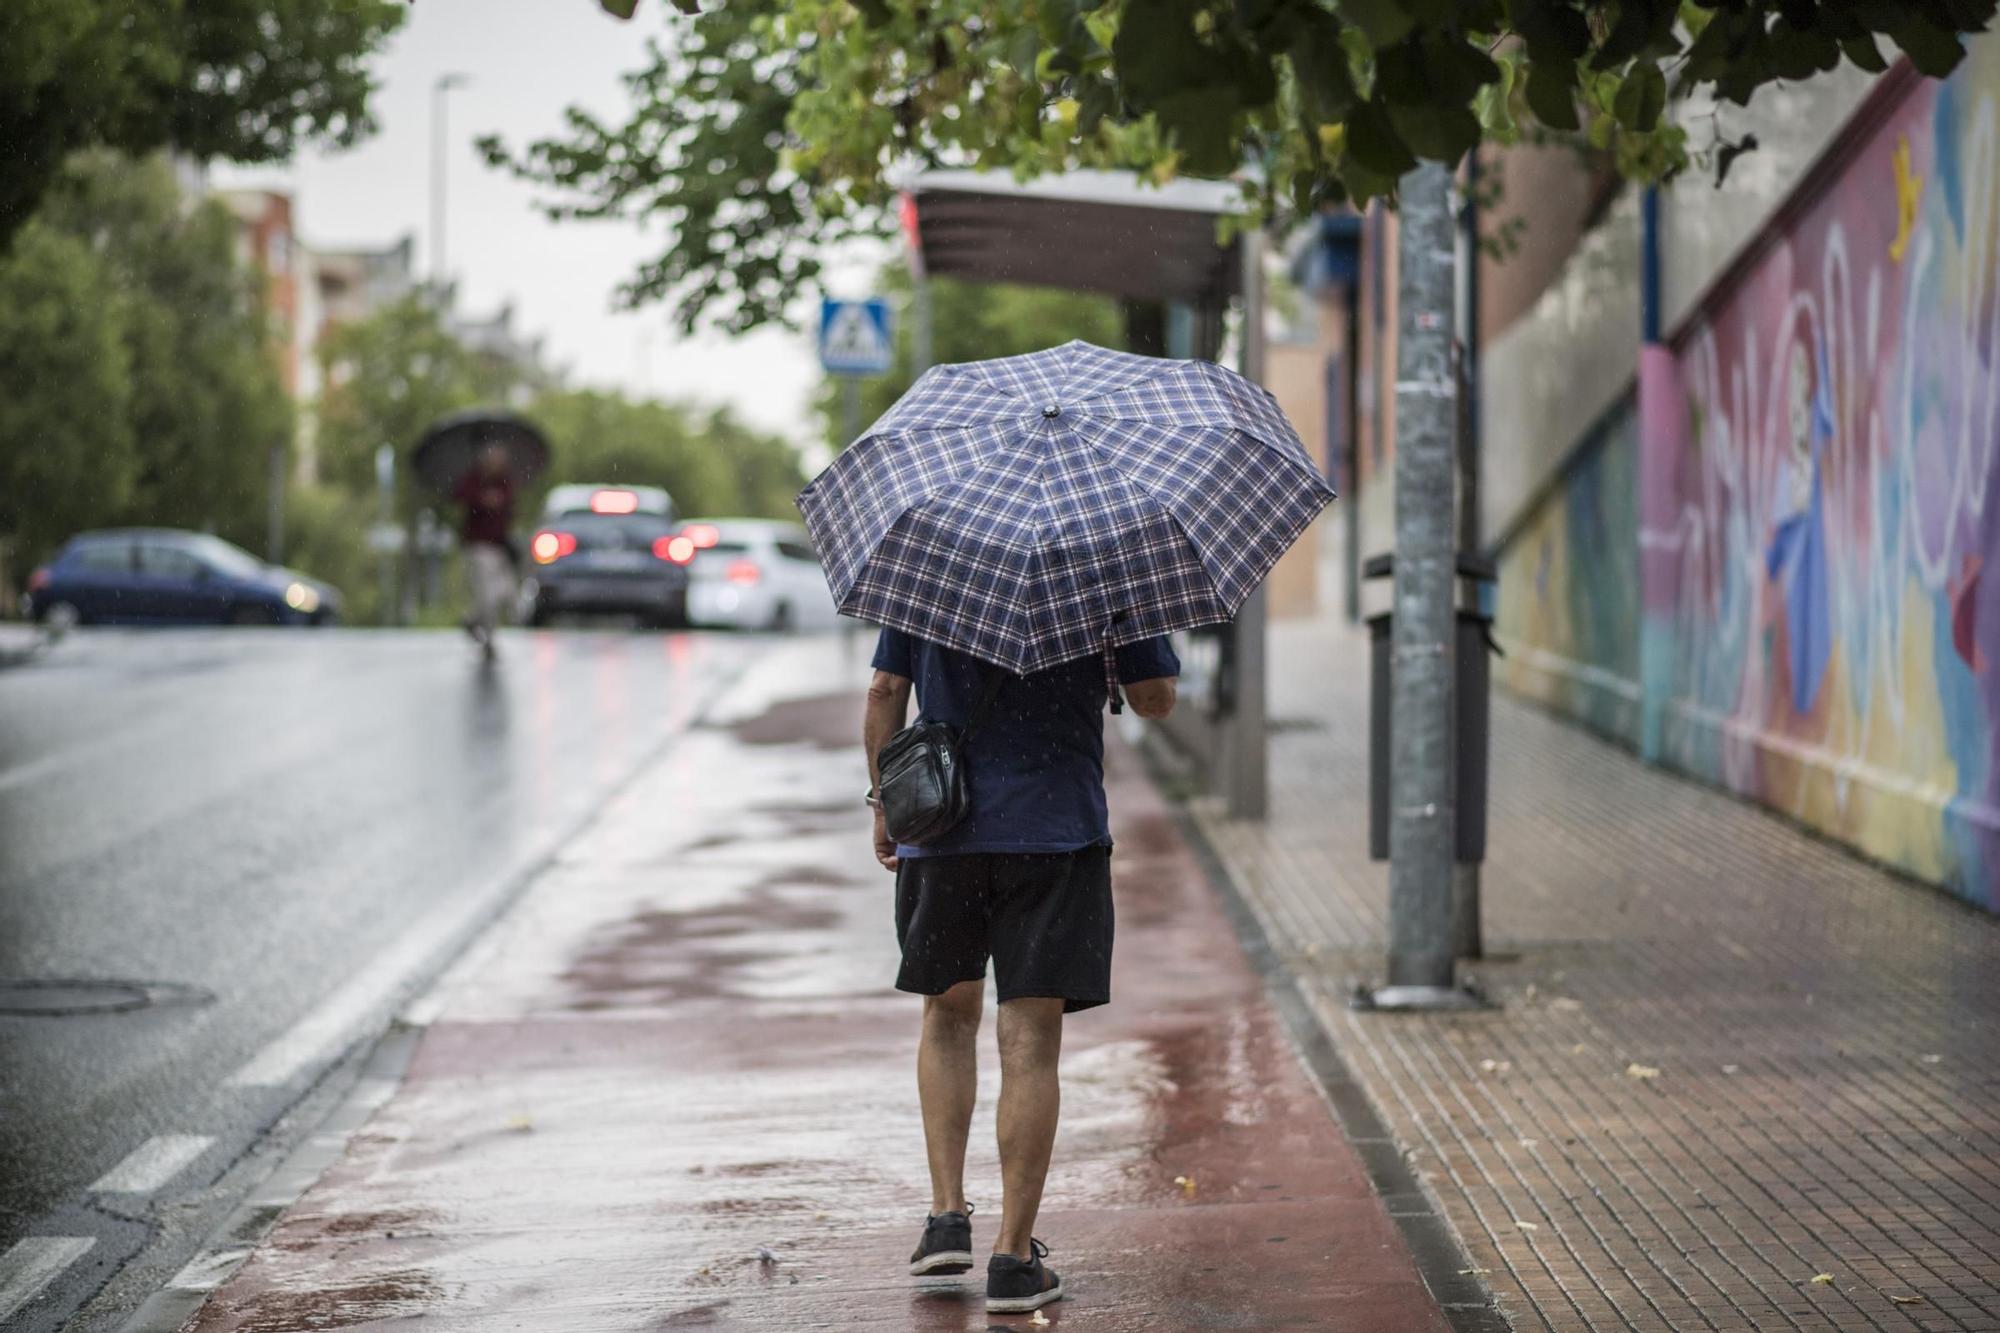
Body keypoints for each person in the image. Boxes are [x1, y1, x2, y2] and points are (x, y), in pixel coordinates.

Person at [862, 628, 1179, 1315]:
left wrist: (884, 802)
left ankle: (946, 1216)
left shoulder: (932, 556)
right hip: (1053, 832)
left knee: (947, 1016)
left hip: (943, 827)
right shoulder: (1105, 564)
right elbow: (1155, 699)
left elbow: (886, 690)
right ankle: (1012, 1258)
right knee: (1031, 1041)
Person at [452, 443, 516, 660]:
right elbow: (459, 497)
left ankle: (473, 620)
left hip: (500, 546)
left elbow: (511, 507)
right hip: (479, 545)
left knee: (504, 592)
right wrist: (482, 500)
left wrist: (500, 504)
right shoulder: (474, 479)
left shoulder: (505, 481)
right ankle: (489, 639)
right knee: (487, 594)